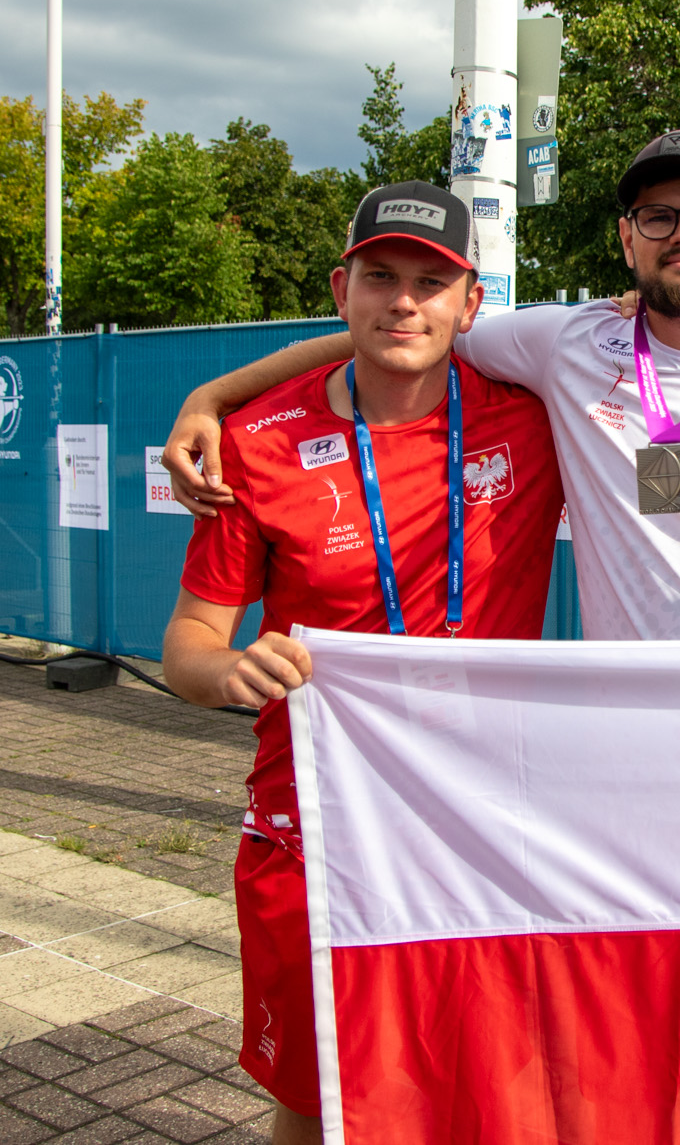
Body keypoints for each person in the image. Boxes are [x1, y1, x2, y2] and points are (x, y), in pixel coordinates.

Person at [161, 182, 565, 1145]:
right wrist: (227, 672)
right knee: (316, 1092)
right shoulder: (256, 446)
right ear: (341, 289)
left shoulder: (533, 417)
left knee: (484, 1074)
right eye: (380, 277)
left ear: (471, 306)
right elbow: (187, 643)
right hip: (317, 818)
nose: (404, 302)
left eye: (434, 282)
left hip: (483, 814)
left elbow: (675, 394)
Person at [163, 130, 680, 639]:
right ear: (626, 237)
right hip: (627, 762)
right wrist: (213, 396)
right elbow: (408, 329)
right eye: (658, 216)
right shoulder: (569, 341)